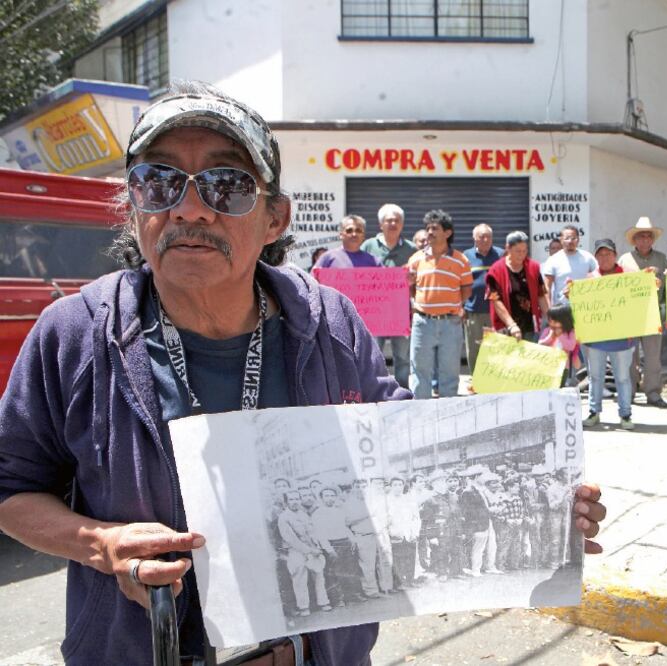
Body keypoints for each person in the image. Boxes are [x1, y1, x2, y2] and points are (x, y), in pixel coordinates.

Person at [0, 81, 608, 666]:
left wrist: (546, 505)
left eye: (227, 184)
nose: (189, 208)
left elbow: (406, 451)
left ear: (274, 219)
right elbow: (12, 489)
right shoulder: (75, 334)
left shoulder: (330, 323)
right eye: (158, 181)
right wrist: (101, 546)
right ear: (134, 206)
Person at [407, 209, 473, 399]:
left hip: (450, 323)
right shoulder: (416, 259)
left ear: (448, 232)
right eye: (427, 228)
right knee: (420, 372)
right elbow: (412, 287)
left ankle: (448, 417)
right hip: (422, 323)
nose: (429, 232)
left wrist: (454, 306)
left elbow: (466, 290)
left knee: (449, 374)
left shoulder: (461, 260)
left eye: (434, 228)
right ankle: (420, 415)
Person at [579, 239, 637, 430]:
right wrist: (571, 292)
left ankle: (625, 414)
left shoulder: (629, 276)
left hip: (623, 339)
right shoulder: (590, 278)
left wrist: (654, 282)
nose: (604, 257)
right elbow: (582, 306)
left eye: (608, 253)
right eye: (600, 254)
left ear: (615, 254)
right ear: (595, 258)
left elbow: (642, 296)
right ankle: (594, 412)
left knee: (622, 378)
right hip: (596, 339)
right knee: (595, 377)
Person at [361, 203, 417, 387]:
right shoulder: (368, 246)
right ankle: (376, 388)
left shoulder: (411, 249)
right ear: (381, 224)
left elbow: (419, 278)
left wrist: (412, 280)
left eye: (397, 220)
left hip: (400, 313)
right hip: (374, 312)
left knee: (402, 356)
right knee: (374, 355)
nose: (393, 223)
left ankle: (401, 390)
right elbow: (357, 275)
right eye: (389, 220)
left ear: (402, 224)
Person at [618, 217, 667, 407]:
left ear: (652, 239)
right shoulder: (624, 259)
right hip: (630, 313)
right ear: (635, 240)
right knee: (629, 356)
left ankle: (653, 393)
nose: (645, 240)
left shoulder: (662, 259)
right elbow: (617, 285)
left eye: (649, 236)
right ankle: (628, 391)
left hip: (652, 313)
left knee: (653, 356)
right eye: (641, 236)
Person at [485, 230, 549, 343]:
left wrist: (551, 319)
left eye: (524, 251)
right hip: (505, 327)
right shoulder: (495, 271)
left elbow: (541, 295)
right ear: (508, 248)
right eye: (518, 251)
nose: (522, 255)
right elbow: (495, 301)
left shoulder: (534, 267)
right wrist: (511, 325)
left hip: (530, 326)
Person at [463, 224, 504, 371]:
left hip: (497, 312)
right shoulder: (465, 256)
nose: (485, 240)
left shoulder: (501, 255)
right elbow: (460, 283)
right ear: (474, 238)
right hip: (474, 310)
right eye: (481, 236)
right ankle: (476, 381)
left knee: (497, 348)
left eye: (488, 237)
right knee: (475, 348)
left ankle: (495, 380)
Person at [542, 225, 597, 307]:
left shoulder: (588, 257)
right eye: (567, 238)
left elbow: (599, 278)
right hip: (561, 308)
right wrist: (549, 310)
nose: (570, 241)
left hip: (585, 307)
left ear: (578, 240)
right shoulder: (553, 260)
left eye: (573, 238)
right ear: (561, 240)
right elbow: (547, 287)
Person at [538, 303, 583, 384]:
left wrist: (560, 335)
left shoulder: (571, 332)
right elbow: (540, 345)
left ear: (564, 320)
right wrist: (550, 337)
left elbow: (570, 347)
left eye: (554, 320)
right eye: (550, 320)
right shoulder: (547, 330)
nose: (551, 323)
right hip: (548, 364)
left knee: (560, 385)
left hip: (563, 366)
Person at [313, 215, 380, 268]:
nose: (354, 234)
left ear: (363, 236)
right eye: (349, 231)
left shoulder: (373, 261)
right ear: (341, 235)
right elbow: (312, 282)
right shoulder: (327, 258)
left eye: (358, 231)